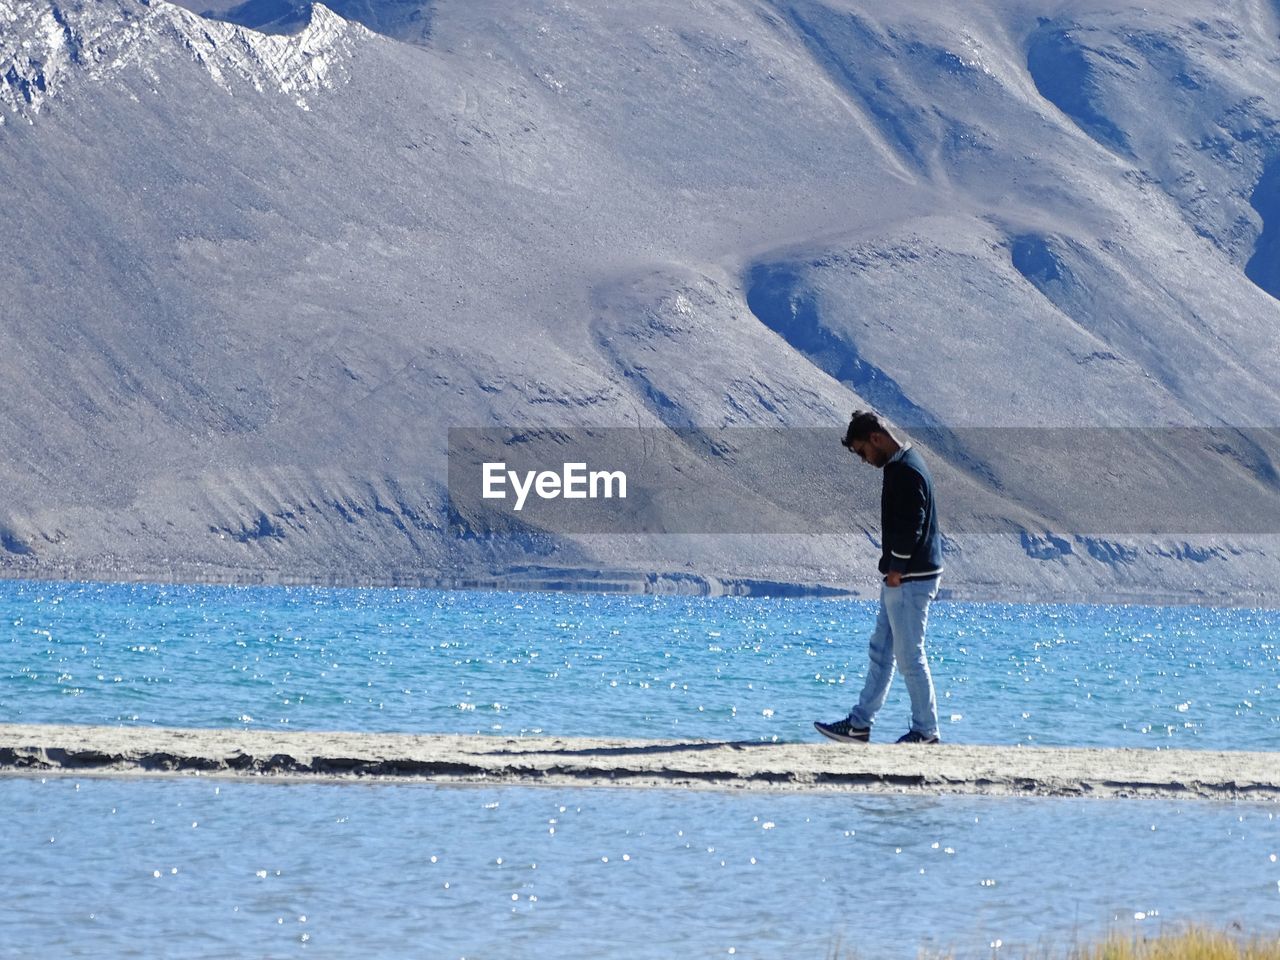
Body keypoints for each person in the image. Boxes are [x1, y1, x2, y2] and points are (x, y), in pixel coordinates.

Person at [815, 410, 944, 745]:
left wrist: (897, 568)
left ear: (876, 438)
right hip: (903, 576)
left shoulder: (906, 471)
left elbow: (911, 525)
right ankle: (859, 724)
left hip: (909, 579)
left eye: (862, 451)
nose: (863, 459)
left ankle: (926, 730)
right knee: (882, 652)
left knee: (909, 656)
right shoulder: (904, 465)